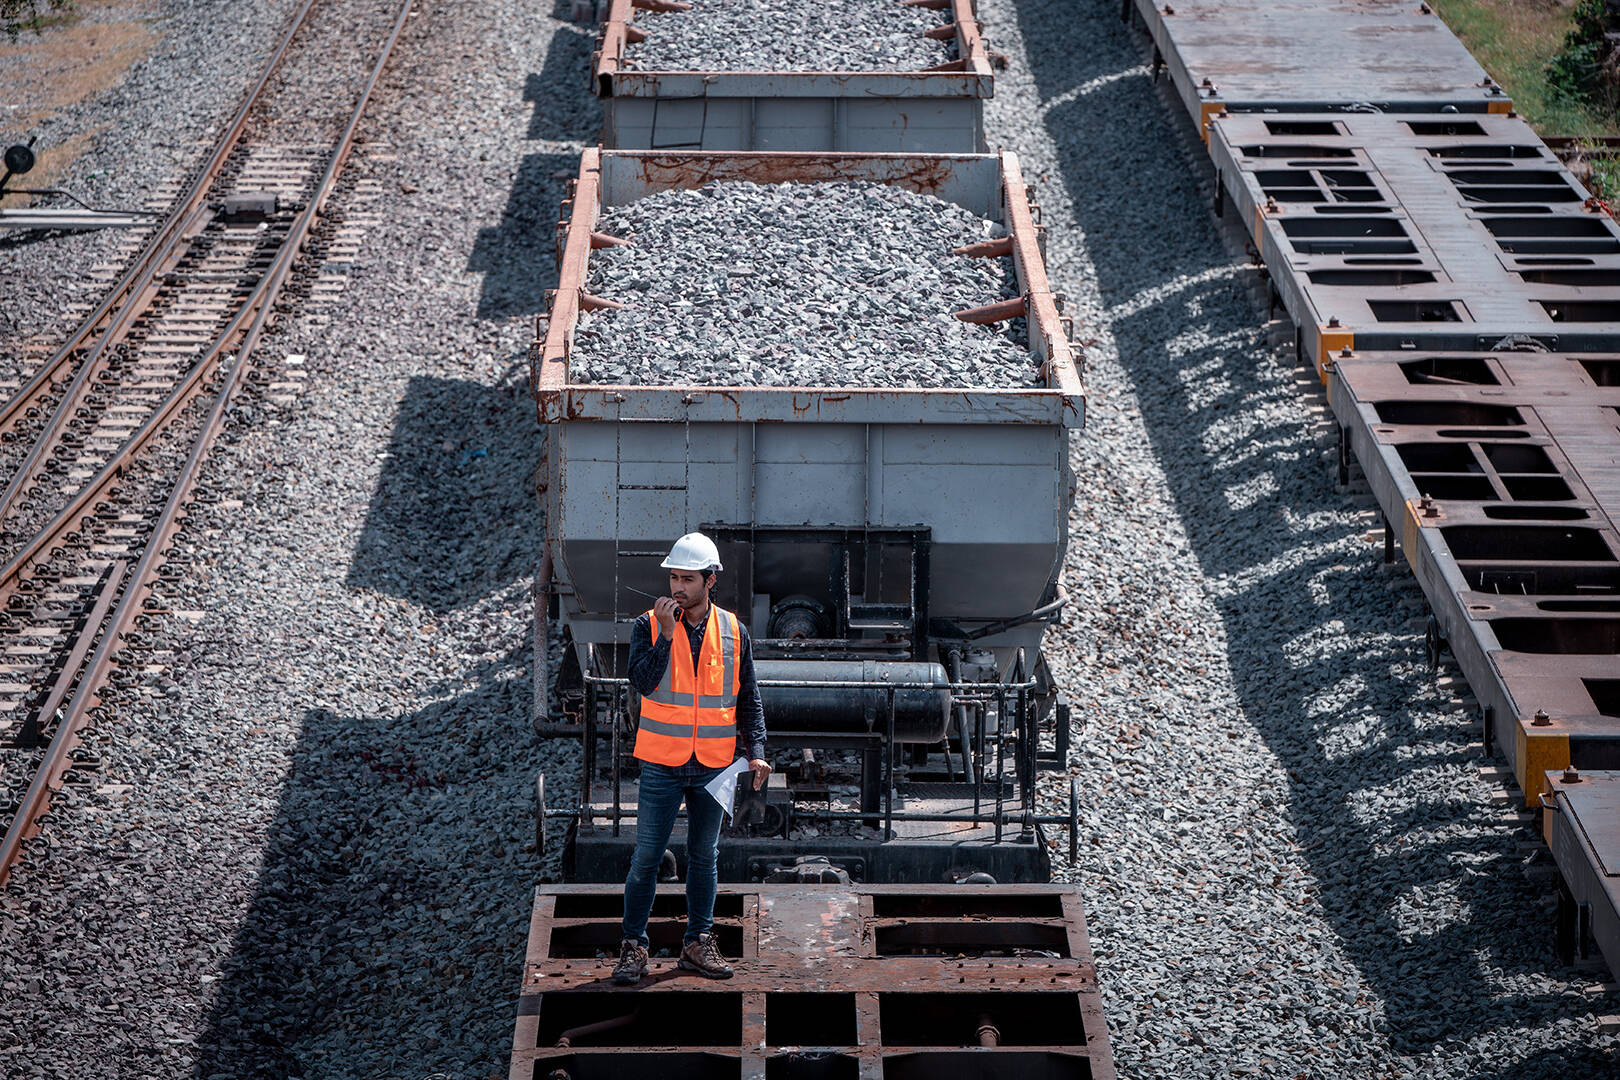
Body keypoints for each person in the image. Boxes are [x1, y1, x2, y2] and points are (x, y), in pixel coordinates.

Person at [613, 532, 770, 985]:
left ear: (710, 580)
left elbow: (748, 699)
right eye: (673, 578)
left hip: (714, 765)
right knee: (647, 856)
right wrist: (666, 636)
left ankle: (698, 943)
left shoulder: (734, 631)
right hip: (662, 762)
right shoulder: (648, 625)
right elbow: (642, 683)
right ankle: (633, 947)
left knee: (704, 856)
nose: (677, 588)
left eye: (687, 579)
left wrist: (757, 753)